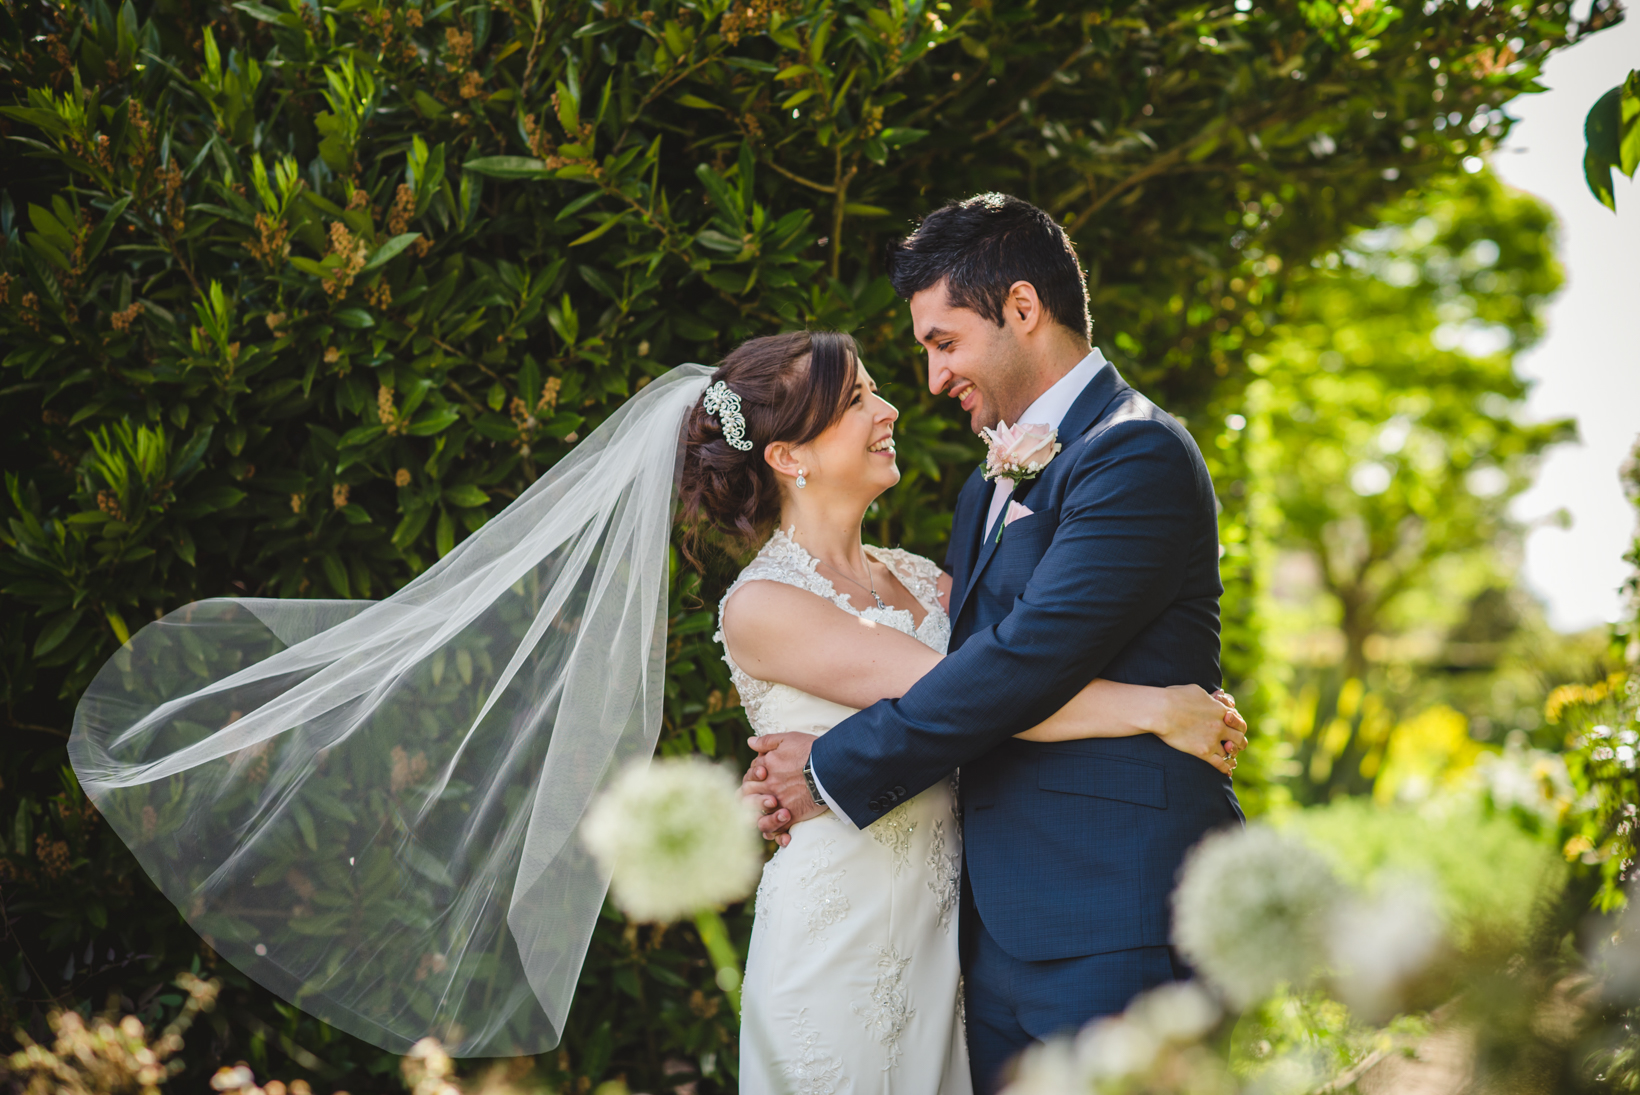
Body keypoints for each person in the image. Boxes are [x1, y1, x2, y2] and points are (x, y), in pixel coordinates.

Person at [742, 193, 1246, 1094]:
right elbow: (969, 673)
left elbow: (1020, 665)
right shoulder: (987, 486)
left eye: (943, 342)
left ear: (1022, 308)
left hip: (1111, 914)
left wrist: (828, 766)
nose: (931, 380)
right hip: (988, 934)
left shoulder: (1136, 454)